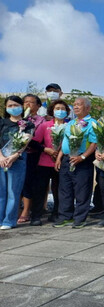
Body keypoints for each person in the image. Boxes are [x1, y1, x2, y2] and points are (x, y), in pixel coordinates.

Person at [53, 97, 98, 228]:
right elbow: (65, 142)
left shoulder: (92, 123)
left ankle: (80, 218)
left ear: (88, 108)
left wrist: (82, 157)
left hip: (82, 160)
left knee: (82, 190)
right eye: (74, 105)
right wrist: (59, 157)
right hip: (67, 159)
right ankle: (65, 216)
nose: (76, 107)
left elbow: (94, 143)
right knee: (65, 189)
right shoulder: (70, 123)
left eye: (79, 104)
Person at [30, 100, 70, 225]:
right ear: (52, 110)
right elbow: (34, 142)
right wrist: (46, 149)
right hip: (44, 163)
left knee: (60, 190)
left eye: (63, 108)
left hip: (61, 163)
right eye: (57, 108)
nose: (60, 111)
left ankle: (57, 213)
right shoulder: (45, 125)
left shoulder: (70, 126)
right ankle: (36, 215)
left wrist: (60, 152)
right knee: (40, 190)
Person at [0, 96, 33, 229]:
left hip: (17, 160)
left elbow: (25, 143)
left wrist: (14, 156)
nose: (13, 108)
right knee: (1, 191)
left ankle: (9, 220)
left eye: (16, 105)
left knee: (13, 191)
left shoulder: (28, 124)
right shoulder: (2, 123)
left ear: (21, 106)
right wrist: (1, 157)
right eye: (10, 106)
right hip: (1, 159)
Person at [18, 94, 45, 223]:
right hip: (16, 154)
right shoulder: (19, 118)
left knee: (28, 181)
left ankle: (27, 210)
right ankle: (15, 209)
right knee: (16, 183)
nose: (28, 104)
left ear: (38, 105)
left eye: (32, 102)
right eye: (25, 102)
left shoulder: (42, 121)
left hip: (33, 154)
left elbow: (40, 139)